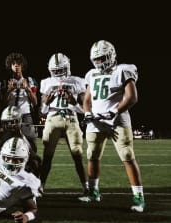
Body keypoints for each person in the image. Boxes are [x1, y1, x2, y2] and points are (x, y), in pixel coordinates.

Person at [78, 40, 145, 213]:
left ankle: (139, 198)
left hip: (117, 120)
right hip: (96, 121)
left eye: (102, 58)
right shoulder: (91, 74)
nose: (99, 62)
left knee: (127, 154)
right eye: (96, 59)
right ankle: (94, 192)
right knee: (92, 154)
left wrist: (114, 111)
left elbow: (132, 97)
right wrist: (87, 113)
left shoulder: (123, 69)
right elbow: (87, 100)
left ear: (111, 55)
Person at [38, 53, 88, 195]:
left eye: (61, 70)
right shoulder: (46, 82)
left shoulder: (77, 81)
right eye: (56, 71)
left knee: (77, 154)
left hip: (71, 117)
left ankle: (86, 187)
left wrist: (74, 103)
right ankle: (41, 186)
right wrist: (46, 103)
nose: (58, 74)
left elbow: (84, 110)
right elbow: (42, 111)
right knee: (47, 155)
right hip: (52, 117)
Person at [1, 53, 38, 153]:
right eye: (13, 64)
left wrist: (27, 89)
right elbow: (3, 104)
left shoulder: (30, 81)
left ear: (22, 65)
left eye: (18, 63)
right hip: (10, 116)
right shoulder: (5, 81)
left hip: (25, 114)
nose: (16, 65)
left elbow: (35, 102)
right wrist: (9, 90)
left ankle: (32, 163)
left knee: (30, 142)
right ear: (10, 66)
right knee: (7, 141)